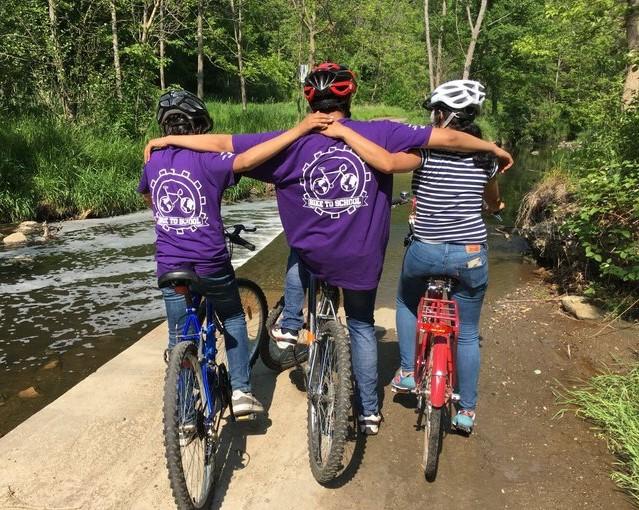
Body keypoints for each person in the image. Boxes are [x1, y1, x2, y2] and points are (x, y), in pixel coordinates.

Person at [143, 65, 513, 434]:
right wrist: (492, 149)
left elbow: (225, 143)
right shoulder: (381, 132)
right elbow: (447, 140)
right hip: (362, 258)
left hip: (311, 257)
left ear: (309, 100)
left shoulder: (289, 142)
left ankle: (291, 324)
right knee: (362, 325)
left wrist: (172, 142)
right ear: (349, 97)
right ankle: (369, 412)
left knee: (299, 257)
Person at [319, 79, 506, 433]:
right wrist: (495, 206)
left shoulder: (426, 150)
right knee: (466, 333)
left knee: (406, 301)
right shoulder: (488, 156)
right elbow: (492, 202)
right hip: (470, 254)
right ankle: (466, 410)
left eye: (435, 113)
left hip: (426, 249)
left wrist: (345, 134)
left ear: (444, 116)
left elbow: (386, 163)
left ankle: (407, 371)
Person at [138, 89, 332, 416]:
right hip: (209, 263)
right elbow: (251, 157)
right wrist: (299, 130)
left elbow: (149, 198)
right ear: (200, 128)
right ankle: (241, 391)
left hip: (170, 266)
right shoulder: (209, 160)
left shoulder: (154, 160)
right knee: (231, 316)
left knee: (178, 339)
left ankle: (185, 417)